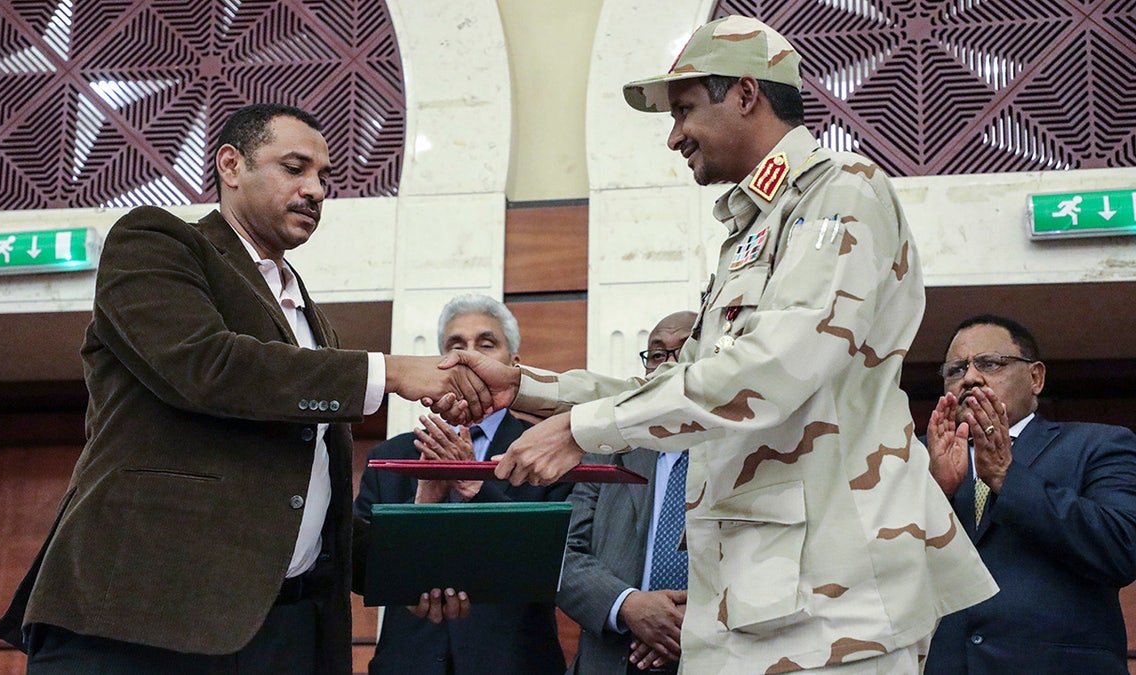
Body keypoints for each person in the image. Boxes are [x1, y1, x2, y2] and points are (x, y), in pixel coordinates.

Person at [437, 15, 998, 673]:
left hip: (838, 605)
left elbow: (772, 369)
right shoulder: (753, 230)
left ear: (745, 94)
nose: (674, 135)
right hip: (759, 599)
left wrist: (580, 429)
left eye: (684, 111)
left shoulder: (842, 192)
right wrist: (528, 386)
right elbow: (691, 379)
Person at [0, 103, 487, 673]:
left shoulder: (313, 321)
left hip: (283, 633)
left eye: (325, 177)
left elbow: (299, 499)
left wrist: (413, 573)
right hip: (141, 621)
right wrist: (392, 372)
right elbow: (207, 367)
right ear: (231, 165)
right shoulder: (155, 242)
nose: (317, 190)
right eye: (295, 168)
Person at [354, 294, 569, 674]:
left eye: (486, 344)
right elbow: (367, 570)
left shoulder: (546, 449)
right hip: (408, 662)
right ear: (442, 365)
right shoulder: (390, 458)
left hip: (514, 662)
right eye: (457, 346)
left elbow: (556, 566)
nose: (471, 357)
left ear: (513, 364)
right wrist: (425, 501)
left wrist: (475, 483)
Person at [924, 314, 1136, 673]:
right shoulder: (916, 459)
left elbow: (1122, 548)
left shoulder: (1098, 444)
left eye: (990, 363)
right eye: (956, 370)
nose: (971, 378)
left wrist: (1008, 478)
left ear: (1035, 377)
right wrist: (935, 493)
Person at [558, 310, 697, 674]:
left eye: (683, 351)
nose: (667, 366)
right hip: (613, 660)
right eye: (656, 354)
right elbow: (562, 552)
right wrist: (628, 606)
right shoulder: (608, 448)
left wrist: (690, 624)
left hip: (712, 657)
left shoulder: (739, 451)